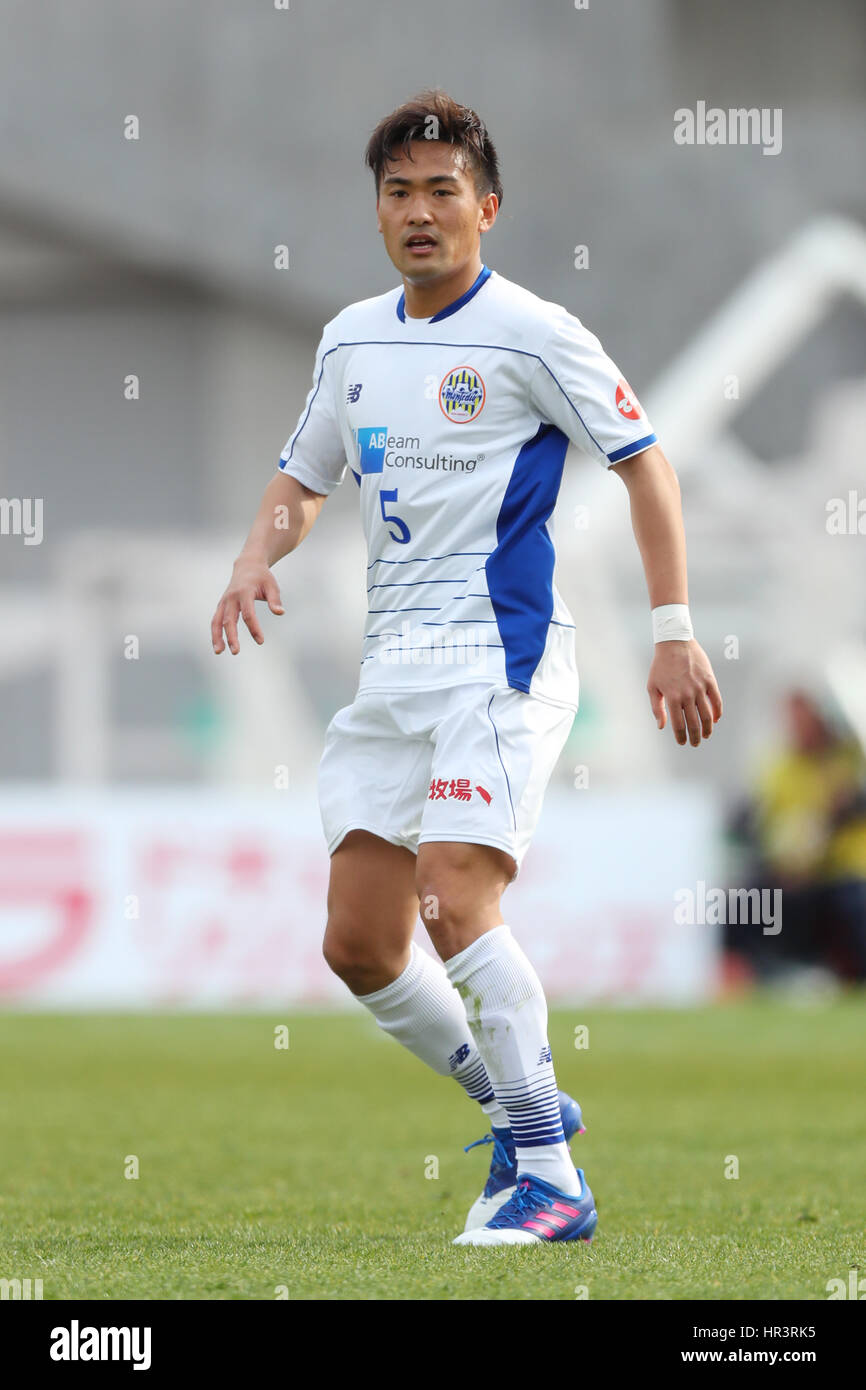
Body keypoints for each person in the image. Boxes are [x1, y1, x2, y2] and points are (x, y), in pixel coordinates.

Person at [211, 89, 723, 1246]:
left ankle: (551, 1180)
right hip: (391, 671)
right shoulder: (350, 338)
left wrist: (674, 626)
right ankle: (516, 1105)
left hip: (503, 656)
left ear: (486, 207)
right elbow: (303, 478)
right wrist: (253, 556)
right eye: (398, 192)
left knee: (452, 887)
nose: (419, 211)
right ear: (377, 211)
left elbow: (645, 466)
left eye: (443, 191)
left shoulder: (535, 332)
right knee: (356, 940)